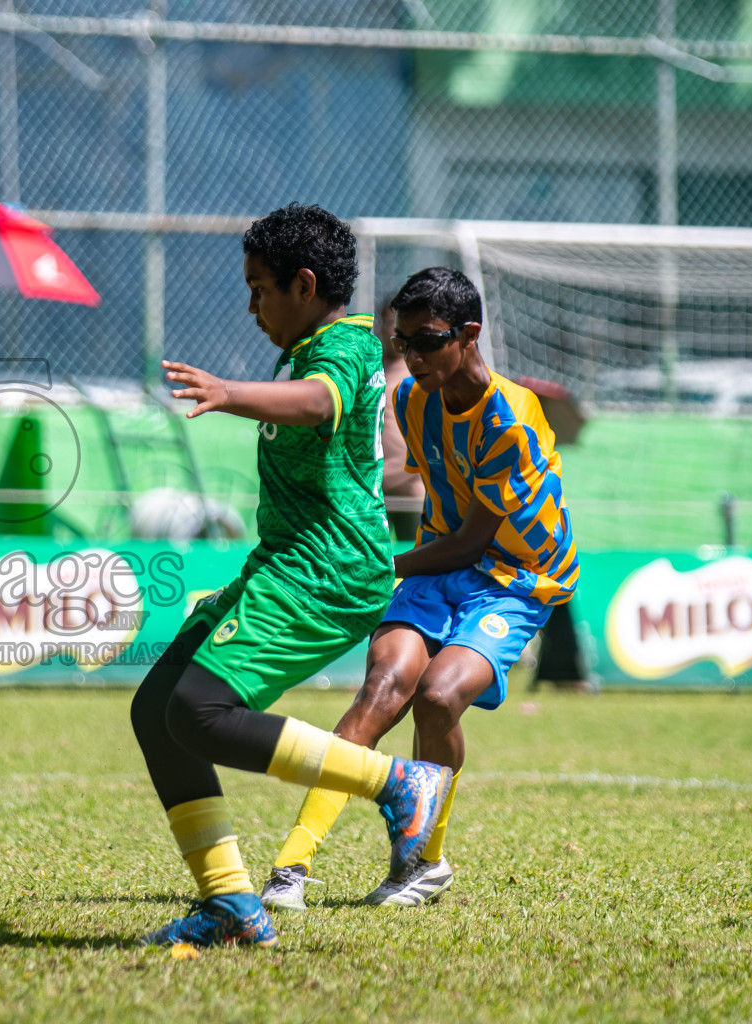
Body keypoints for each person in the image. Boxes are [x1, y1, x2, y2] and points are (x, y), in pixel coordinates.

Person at [129, 204, 452, 950]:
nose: (252, 307)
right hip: (286, 560)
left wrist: (228, 392)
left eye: (259, 289)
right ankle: (230, 906)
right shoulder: (306, 346)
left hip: (327, 568)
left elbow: (320, 403)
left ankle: (398, 784)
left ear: (303, 285)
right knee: (159, 710)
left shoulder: (346, 345)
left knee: (198, 709)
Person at [262, 266, 578, 911]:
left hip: (516, 578)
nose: (413, 356)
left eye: (428, 341)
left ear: (469, 335)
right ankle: (291, 867)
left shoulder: (512, 418)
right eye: (403, 342)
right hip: (440, 563)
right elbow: (435, 502)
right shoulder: (411, 398)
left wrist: (381, 566)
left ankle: (424, 863)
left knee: (437, 698)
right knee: (382, 687)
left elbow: (474, 541)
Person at [377, 301, 427, 542]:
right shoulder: (372, 370)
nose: (393, 331)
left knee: (417, 556)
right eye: (389, 323)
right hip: (375, 492)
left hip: (409, 492)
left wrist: (387, 474)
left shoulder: (420, 375)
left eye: (399, 325)